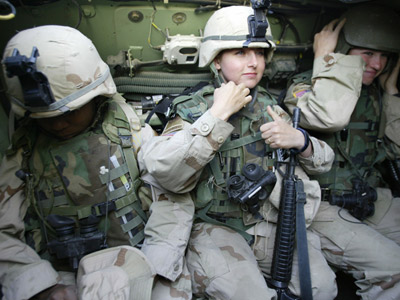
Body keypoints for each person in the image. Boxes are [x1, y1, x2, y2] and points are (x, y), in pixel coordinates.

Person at [139, 5, 338, 300]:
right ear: (217, 61)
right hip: (212, 228)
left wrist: (300, 140)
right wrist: (217, 115)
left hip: (268, 221)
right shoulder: (191, 109)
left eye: (259, 53)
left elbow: (325, 162)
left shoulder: (271, 106)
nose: (254, 62)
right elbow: (167, 173)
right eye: (240, 53)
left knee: (322, 289)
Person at [0, 25, 160, 300]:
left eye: (70, 112)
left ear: (97, 97)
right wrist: (40, 285)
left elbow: (170, 203)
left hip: (134, 259)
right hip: (55, 272)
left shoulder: (129, 130)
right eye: (45, 117)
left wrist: (156, 260)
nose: (59, 124)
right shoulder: (24, 151)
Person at [283, 4, 400, 299]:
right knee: (392, 267)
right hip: (322, 204)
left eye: (384, 56)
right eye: (368, 53)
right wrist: (326, 59)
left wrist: (391, 95)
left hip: (367, 196)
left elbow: (394, 148)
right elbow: (329, 117)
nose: (377, 64)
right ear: (343, 49)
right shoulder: (302, 85)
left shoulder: (373, 92)